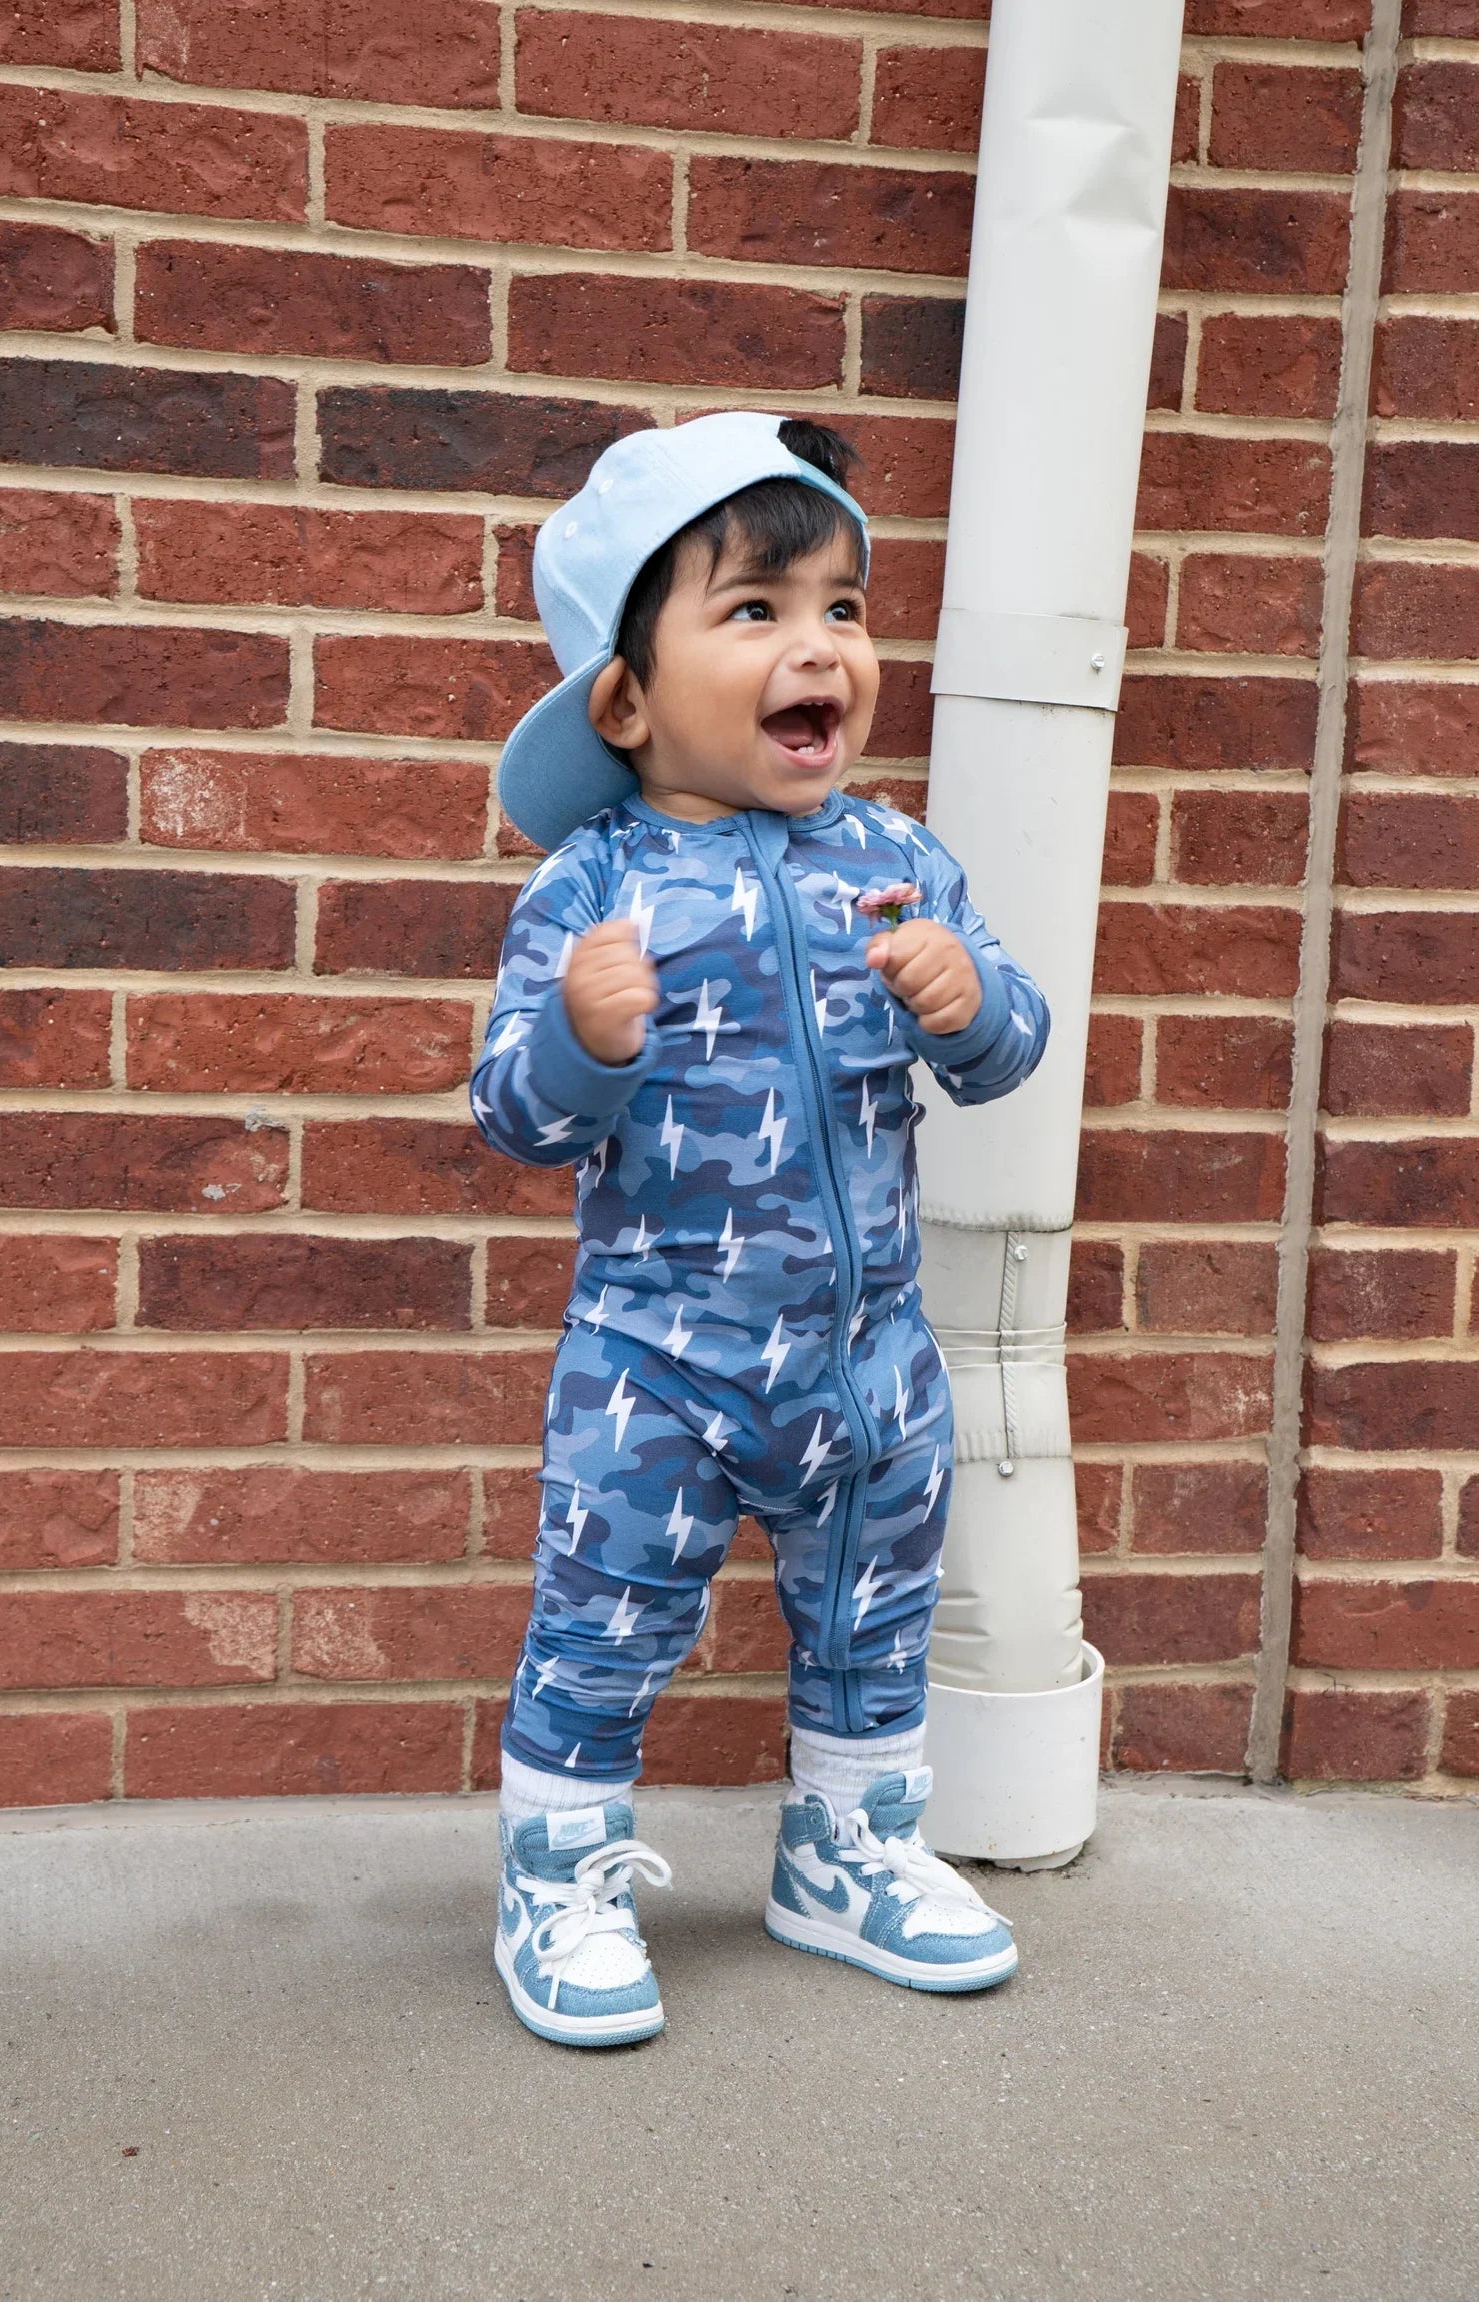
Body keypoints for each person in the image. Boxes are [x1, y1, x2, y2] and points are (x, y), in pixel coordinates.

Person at [472, 411, 1050, 2048]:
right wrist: (582, 1039)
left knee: (874, 1613)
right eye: (756, 610)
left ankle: (846, 1851)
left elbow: (1006, 1052)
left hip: (869, 1360)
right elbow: (512, 1113)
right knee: (607, 1620)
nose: (822, 647)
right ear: (628, 699)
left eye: (844, 607)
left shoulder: (897, 858)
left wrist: (967, 997)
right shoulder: (594, 885)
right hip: (656, 1364)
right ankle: (558, 1876)